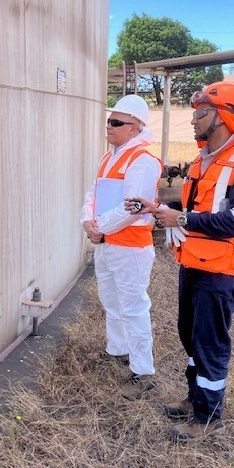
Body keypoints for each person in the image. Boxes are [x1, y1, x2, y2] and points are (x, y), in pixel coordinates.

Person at [126, 81, 234, 441]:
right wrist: (161, 209)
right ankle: (196, 399)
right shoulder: (203, 158)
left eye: (201, 113)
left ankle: (208, 417)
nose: (193, 120)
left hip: (223, 274)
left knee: (210, 344)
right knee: (191, 338)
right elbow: (193, 209)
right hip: (193, 264)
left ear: (224, 117)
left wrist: (182, 220)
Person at [80, 94, 163, 400]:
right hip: (108, 243)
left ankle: (143, 371)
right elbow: (93, 193)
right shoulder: (110, 156)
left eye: (116, 122)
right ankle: (117, 349)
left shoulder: (142, 161)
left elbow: (132, 209)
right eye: (109, 121)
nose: (109, 126)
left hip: (129, 248)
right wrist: (87, 222)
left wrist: (97, 228)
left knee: (133, 308)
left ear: (135, 128)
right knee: (111, 302)